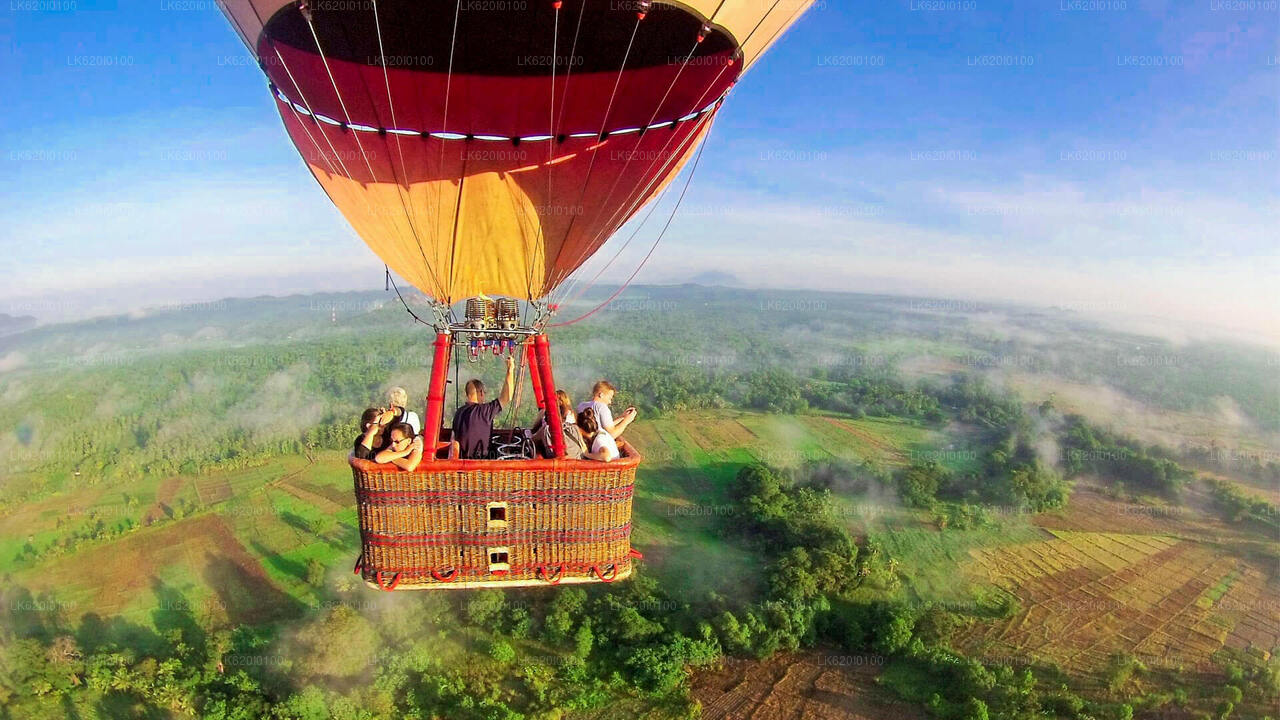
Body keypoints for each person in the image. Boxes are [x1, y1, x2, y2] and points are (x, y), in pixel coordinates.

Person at [450, 354, 515, 459]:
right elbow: (507, 397)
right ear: (480, 392)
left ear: (467, 394)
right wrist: (510, 370)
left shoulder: (459, 413)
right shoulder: (484, 411)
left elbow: (456, 440)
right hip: (481, 466)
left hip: (463, 464)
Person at [533, 389, 588, 459]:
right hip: (576, 461)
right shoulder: (574, 427)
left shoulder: (546, 429)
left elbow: (533, 436)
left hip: (558, 460)